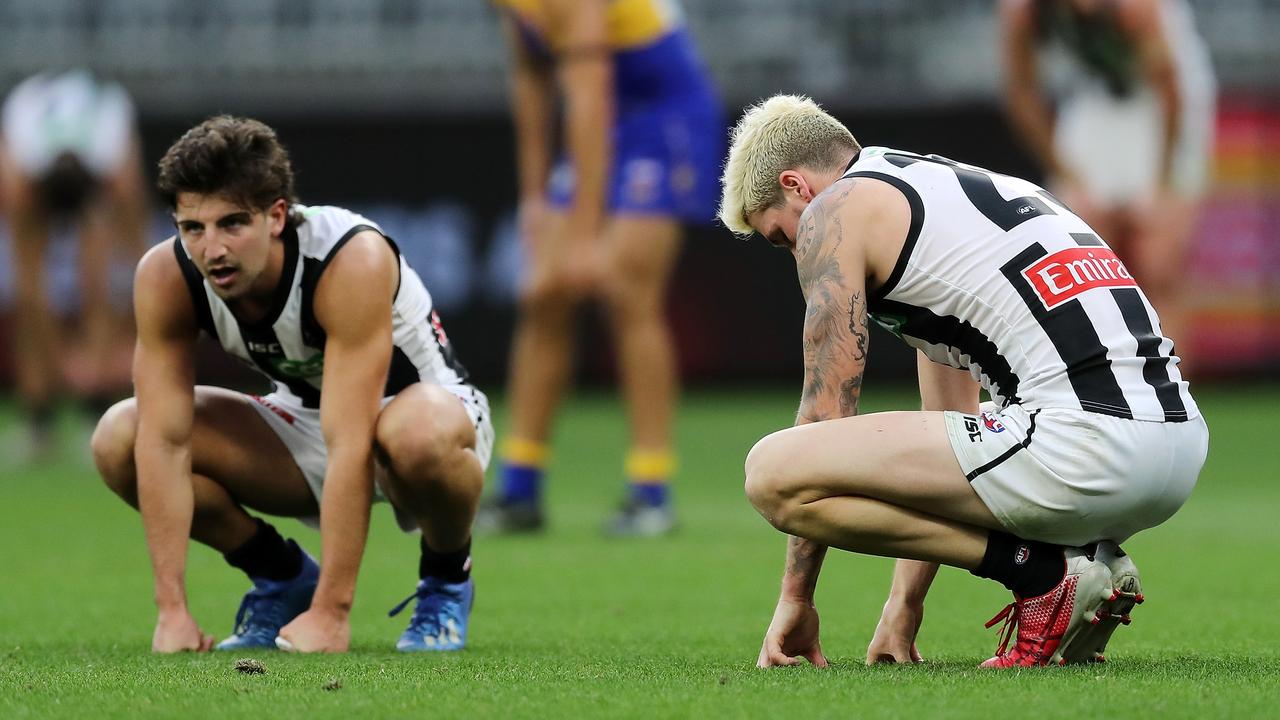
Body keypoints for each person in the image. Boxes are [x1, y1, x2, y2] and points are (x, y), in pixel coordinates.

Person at [718, 95, 1207, 668]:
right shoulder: (944, 204)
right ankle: (1090, 558)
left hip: (1086, 445)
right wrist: (904, 608)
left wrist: (796, 599)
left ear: (797, 185)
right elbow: (946, 436)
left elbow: (824, 414)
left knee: (773, 472)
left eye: (782, 236)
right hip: (1175, 448)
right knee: (963, 438)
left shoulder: (835, 212)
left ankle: (1046, 573)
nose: (794, 252)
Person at [90, 116, 494, 653]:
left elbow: (351, 439)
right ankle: (281, 576)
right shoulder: (165, 277)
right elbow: (164, 440)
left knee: (414, 434)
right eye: (193, 228)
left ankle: (445, 580)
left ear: (276, 215)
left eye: (232, 223)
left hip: (429, 422)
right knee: (122, 437)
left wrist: (334, 613)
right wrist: (172, 612)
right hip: (307, 427)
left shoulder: (349, 260)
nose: (212, 250)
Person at [478, 0, 724, 536]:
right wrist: (536, 200)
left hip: (663, 119)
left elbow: (588, 96)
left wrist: (586, 238)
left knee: (625, 291)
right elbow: (532, 82)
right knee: (543, 295)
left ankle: (651, 492)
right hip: (605, 123)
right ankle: (519, 489)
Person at [1000, 0, 1216, 373]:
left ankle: (1173, 395)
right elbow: (1021, 93)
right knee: (1078, 250)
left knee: (1158, 260)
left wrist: (1163, 185)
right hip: (1095, 99)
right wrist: (1069, 175)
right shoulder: (1023, 12)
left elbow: (1171, 90)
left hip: (1165, 103)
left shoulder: (1135, 9)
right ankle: (1095, 389)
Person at [0, 70, 147, 462]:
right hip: (34, 153)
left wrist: (126, 322)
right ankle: (39, 418)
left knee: (97, 288)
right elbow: (28, 287)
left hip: (95, 162)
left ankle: (94, 411)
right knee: (30, 297)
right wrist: (60, 351)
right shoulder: (21, 159)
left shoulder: (111, 156)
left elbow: (134, 260)